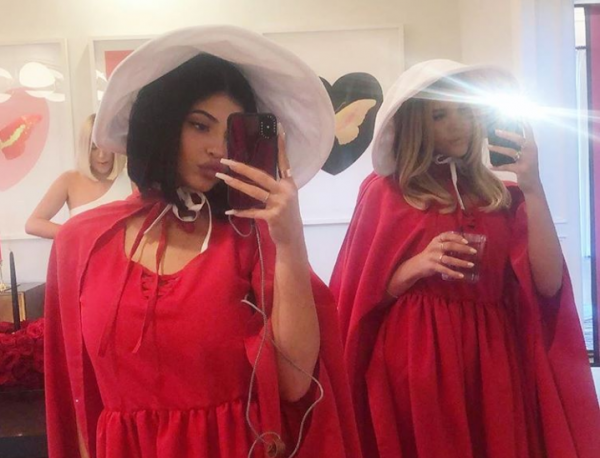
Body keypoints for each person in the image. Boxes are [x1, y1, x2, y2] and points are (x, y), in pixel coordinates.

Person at [44, 26, 361, 458]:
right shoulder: (82, 242)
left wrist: (290, 242)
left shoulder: (251, 237)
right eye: (199, 125)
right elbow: (73, 392)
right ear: (161, 124)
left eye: (232, 133)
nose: (217, 148)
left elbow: (295, 382)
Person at [331, 59, 600, 458]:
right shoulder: (386, 194)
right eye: (440, 115)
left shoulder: (503, 199)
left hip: (490, 364)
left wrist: (532, 185)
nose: (458, 125)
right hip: (413, 368)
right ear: (417, 124)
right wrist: (411, 269)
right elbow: (355, 298)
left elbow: (548, 285)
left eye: (464, 111)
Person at [24, 113, 132, 239]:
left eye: (106, 147)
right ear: (84, 148)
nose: (102, 155)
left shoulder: (132, 179)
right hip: (83, 251)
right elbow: (33, 224)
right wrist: (78, 235)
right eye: (93, 148)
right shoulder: (69, 181)